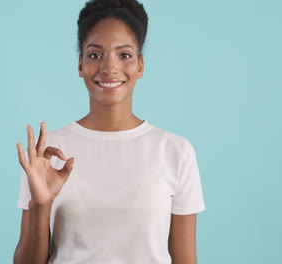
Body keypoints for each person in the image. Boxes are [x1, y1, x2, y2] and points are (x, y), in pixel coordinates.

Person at [13, 0, 206, 263]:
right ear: (80, 64)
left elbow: (185, 259)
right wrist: (40, 205)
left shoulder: (175, 151)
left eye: (124, 55)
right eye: (95, 55)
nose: (109, 68)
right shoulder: (48, 153)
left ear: (140, 65)